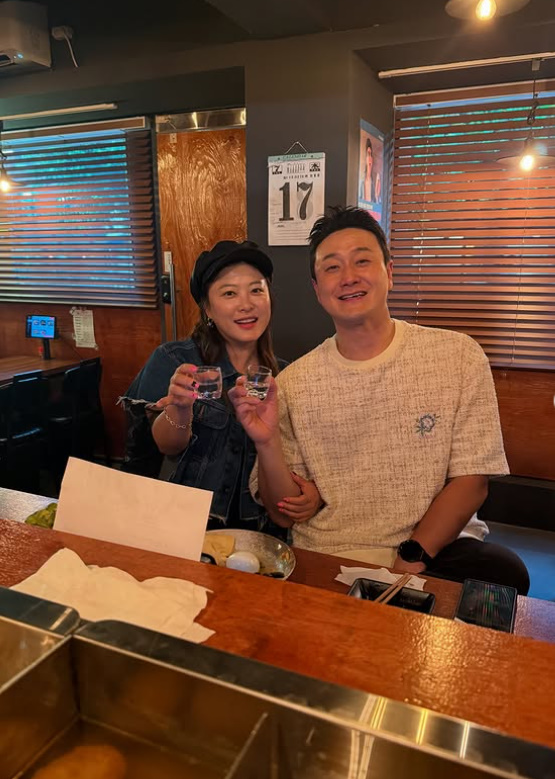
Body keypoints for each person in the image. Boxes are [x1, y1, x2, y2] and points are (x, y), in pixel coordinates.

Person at [229, 208, 530, 594]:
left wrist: (411, 558)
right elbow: (282, 513)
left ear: (389, 272)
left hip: (433, 551)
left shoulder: (457, 356)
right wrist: (266, 440)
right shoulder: (293, 384)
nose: (349, 277)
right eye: (332, 267)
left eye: (362, 261)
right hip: (330, 553)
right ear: (317, 289)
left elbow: (473, 481)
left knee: (505, 572)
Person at [123, 240, 321, 533]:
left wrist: (312, 495)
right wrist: (180, 409)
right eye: (229, 293)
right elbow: (165, 446)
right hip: (183, 525)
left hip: (260, 533)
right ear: (208, 309)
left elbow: (299, 464)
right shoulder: (176, 360)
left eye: (256, 290)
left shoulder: (286, 377)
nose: (246, 304)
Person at [360, 138, 381, 205]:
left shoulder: (376, 178)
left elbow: (378, 203)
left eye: (371, 154)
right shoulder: (361, 181)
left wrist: (376, 195)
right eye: (368, 154)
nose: (370, 158)